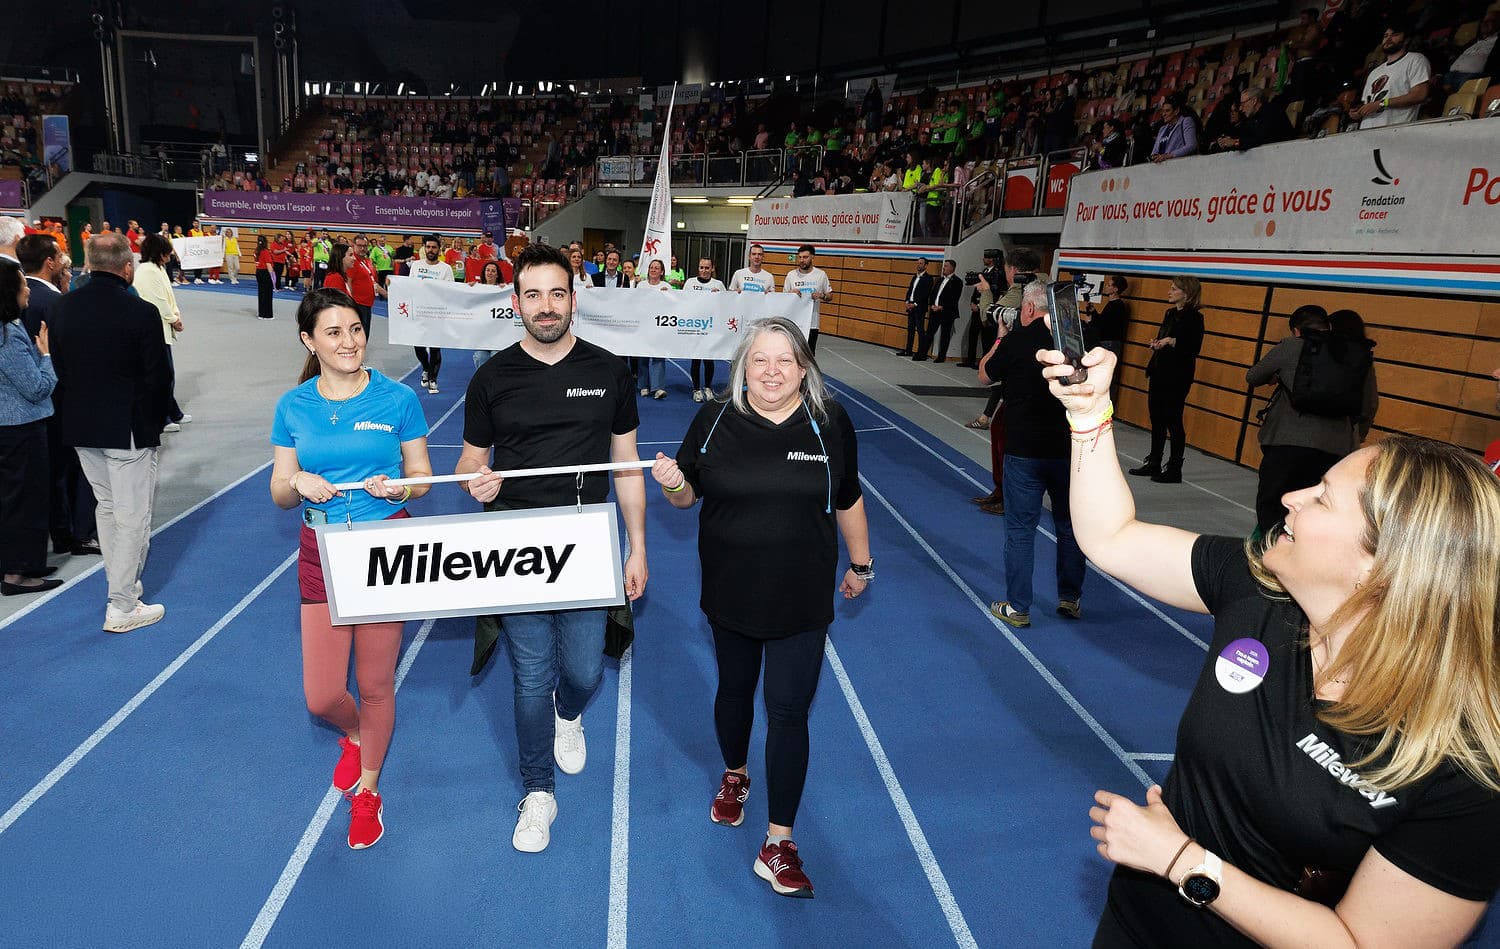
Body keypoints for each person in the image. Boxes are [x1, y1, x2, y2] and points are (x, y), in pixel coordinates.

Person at [1038, 343, 1500, 948]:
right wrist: (1090, 412)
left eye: (1322, 498)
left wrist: (1185, 862)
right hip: (1138, 923)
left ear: (1383, 569)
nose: (1290, 497)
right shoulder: (1260, 588)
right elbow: (1111, 537)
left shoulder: (1463, 763)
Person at [649, 316, 872, 899]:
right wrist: (673, 482)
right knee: (734, 689)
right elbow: (684, 500)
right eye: (759, 360)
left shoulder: (830, 423)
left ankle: (779, 842)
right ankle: (735, 773)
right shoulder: (715, 417)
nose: (771, 371)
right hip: (731, 591)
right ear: (742, 367)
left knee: (788, 711)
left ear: (803, 369)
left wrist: (861, 563)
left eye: (784, 361)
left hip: (802, 595)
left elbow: (846, 495)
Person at [455, 243, 648, 854]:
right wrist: (473, 480)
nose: (545, 306)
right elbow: (468, 463)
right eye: (532, 295)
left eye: (556, 293)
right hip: (515, 540)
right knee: (530, 674)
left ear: (574, 298)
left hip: (588, 538)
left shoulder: (611, 370)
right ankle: (537, 791)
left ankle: (571, 714)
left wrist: (637, 547)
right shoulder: (491, 378)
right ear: (515, 303)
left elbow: (627, 466)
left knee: (585, 670)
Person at [269, 287, 433, 850]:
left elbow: (422, 478)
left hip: (385, 546)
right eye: (333, 332)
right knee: (322, 695)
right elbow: (278, 491)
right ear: (308, 340)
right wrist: (296, 481)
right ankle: (356, 734)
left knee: (374, 683)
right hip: (321, 551)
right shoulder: (294, 406)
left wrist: (398, 489)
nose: (349, 341)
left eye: (356, 329)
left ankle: (368, 792)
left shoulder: (397, 399)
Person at [47, 233, 171, 633]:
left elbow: (60, 368)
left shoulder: (63, 307)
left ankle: (122, 587)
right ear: (127, 267)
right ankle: (121, 604)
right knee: (133, 516)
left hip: (83, 426)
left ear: (87, 262)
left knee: (107, 507)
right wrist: (151, 423)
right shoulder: (141, 312)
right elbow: (158, 377)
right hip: (128, 428)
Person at [979, 281, 1085, 628]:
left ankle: (1018, 607)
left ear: (1027, 309)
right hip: (1068, 450)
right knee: (1069, 527)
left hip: (1024, 450)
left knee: (1021, 530)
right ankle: (1070, 597)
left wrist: (999, 336)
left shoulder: (1016, 341)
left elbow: (984, 375)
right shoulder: (1075, 342)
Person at [18, 234, 98, 557]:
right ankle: (76, 534)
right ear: (50, 262)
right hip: (61, 397)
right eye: (60, 255)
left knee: (50, 471)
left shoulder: (21, 296)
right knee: (73, 467)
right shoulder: (57, 303)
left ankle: (61, 532)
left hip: (30, 401)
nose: (65, 259)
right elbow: (72, 353)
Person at [0, 258, 61, 596]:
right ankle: (16, 574)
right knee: (22, 500)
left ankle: (24, 563)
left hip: (16, 427)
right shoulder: (8, 335)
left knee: (19, 499)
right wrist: (48, 355)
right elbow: (36, 386)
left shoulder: (11, 328)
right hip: (19, 429)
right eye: (22, 284)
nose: (28, 289)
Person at [1128, 275, 1204, 484]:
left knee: (1173, 419)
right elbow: (1164, 336)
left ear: (1186, 293)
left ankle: (1174, 467)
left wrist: (1172, 341)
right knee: (1157, 418)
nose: (1169, 292)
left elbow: (1193, 347)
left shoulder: (1194, 318)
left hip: (1178, 375)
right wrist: (1157, 342)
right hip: (1160, 370)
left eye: (1173, 289)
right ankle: (1154, 461)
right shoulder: (1170, 313)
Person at [133, 234, 191, 434]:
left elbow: (169, 297)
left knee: (167, 374)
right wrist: (173, 319)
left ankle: (173, 412)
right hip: (154, 331)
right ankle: (162, 418)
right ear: (160, 252)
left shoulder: (158, 269)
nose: (170, 254)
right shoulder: (147, 271)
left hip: (163, 326)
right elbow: (157, 301)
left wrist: (176, 314)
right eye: (167, 250)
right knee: (162, 375)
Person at [1353, 23, 1432, 129]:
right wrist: (1358, 112)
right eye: (1385, 36)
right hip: (1367, 131)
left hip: (1396, 131)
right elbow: (1368, 103)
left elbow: (1419, 95)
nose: (1388, 38)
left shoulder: (1416, 59)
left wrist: (1381, 103)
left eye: (1394, 35)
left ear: (1406, 40)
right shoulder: (1375, 72)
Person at [407, 235, 452, 395]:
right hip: (418, 313)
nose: (430, 250)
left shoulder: (445, 269)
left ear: (439, 250)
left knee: (434, 348)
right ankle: (426, 368)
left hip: (436, 314)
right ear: (424, 248)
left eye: (433, 247)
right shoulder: (416, 266)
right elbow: (409, 287)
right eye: (428, 247)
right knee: (418, 346)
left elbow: (449, 291)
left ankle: (433, 379)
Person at [684, 257, 725, 402]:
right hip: (695, 326)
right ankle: (696, 389)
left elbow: (726, 304)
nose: (704, 270)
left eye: (707, 268)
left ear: (712, 268)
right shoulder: (690, 283)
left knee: (709, 359)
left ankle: (707, 387)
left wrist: (719, 297)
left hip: (711, 326)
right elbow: (683, 302)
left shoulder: (718, 284)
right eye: (701, 267)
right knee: (696, 359)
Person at [781, 245, 833, 354]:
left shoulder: (820, 275)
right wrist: (791, 293)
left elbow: (830, 296)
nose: (802, 260)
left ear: (812, 257)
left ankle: (806, 372)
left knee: (808, 355)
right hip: (794, 322)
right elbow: (783, 298)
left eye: (805, 257)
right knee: (791, 353)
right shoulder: (791, 275)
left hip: (812, 323)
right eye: (800, 257)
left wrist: (821, 295)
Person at [1215, 86, 1293, 152]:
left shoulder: (1271, 111)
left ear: (1253, 101)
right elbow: (1243, 134)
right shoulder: (1253, 118)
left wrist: (1235, 142)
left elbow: (1258, 139)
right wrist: (1225, 140)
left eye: (1243, 103)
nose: (1241, 108)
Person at [635, 259, 672, 399]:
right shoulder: (641, 285)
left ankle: (658, 388)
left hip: (659, 326)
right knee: (643, 356)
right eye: (651, 267)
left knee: (658, 356)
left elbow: (673, 305)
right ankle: (643, 385)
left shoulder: (666, 286)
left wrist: (667, 295)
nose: (653, 269)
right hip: (643, 324)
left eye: (657, 268)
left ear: (661, 271)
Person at [913, 259, 962, 363]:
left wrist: (942, 306)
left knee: (945, 334)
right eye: (944, 266)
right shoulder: (939, 280)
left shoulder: (957, 281)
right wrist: (932, 305)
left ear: (952, 268)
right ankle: (922, 354)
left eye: (946, 266)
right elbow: (933, 294)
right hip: (935, 311)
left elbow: (954, 298)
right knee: (929, 333)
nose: (944, 267)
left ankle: (941, 356)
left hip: (947, 312)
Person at [346, 235, 385, 336]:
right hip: (357, 304)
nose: (362, 248)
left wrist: (388, 295)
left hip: (367, 304)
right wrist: (349, 303)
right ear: (353, 245)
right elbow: (348, 282)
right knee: (358, 336)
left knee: (364, 335)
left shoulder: (368, 261)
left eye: (365, 246)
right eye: (359, 246)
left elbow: (373, 282)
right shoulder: (352, 261)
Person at [896, 257, 933, 357]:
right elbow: (910, 290)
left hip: (919, 308)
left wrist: (915, 304)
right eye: (918, 263)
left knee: (920, 330)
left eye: (921, 263)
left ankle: (921, 352)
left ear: (926, 265)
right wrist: (907, 301)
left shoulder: (928, 278)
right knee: (910, 329)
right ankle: (908, 350)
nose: (919, 265)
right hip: (911, 306)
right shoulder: (914, 277)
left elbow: (925, 294)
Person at [1150, 97, 1200, 162]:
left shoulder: (1186, 121)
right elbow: (1154, 152)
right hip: (1161, 167)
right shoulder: (1162, 129)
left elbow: (1191, 145)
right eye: (1163, 111)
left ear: (1176, 111)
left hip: (1178, 165)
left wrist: (1169, 155)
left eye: (1167, 111)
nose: (1164, 114)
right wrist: (1154, 156)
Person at [254, 236, 275, 321]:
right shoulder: (265, 251)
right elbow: (268, 264)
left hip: (258, 272)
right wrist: (273, 276)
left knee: (261, 293)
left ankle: (261, 313)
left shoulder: (256, 251)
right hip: (265, 272)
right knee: (268, 294)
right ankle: (267, 315)